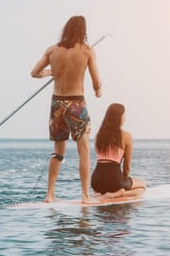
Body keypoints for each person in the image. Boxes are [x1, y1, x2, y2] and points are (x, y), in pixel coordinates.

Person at [31, 15, 102, 203]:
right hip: (76, 103)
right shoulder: (87, 51)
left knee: (58, 151)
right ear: (83, 31)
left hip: (57, 104)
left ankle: (49, 194)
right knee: (84, 149)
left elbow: (34, 73)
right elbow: (96, 80)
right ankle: (85, 195)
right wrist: (98, 90)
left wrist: (51, 73)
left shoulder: (52, 50)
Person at [91, 103, 146, 199]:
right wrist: (122, 183)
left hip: (96, 180)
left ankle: (97, 193)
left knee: (105, 185)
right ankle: (118, 194)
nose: (125, 117)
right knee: (142, 186)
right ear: (118, 117)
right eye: (123, 115)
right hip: (114, 179)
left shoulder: (98, 136)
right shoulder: (126, 136)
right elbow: (127, 167)